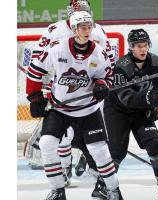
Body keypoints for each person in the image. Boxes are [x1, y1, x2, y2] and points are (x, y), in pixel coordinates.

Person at [26, 11, 123, 200]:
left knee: (100, 151)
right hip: (60, 109)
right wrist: (35, 97)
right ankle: (57, 190)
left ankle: (113, 190)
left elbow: (107, 76)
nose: (87, 30)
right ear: (74, 29)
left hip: (88, 109)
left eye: (89, 26)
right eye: (83, 27)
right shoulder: (57, 49)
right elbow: (35, 70)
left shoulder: (99, 53)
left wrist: (102, 86)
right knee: (47, 144)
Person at [103, 29, 158, 199]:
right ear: (131, 47)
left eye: (145, 45)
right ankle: (105, 186)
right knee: (117, 152)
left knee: (155, 143)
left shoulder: (155, 61)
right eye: (138, 46)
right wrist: (149, 99)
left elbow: (156, 87)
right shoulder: (122, 65)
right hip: (117, 111)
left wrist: (155, 106)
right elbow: (126, 98)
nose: (143, 49)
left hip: (141, 110)